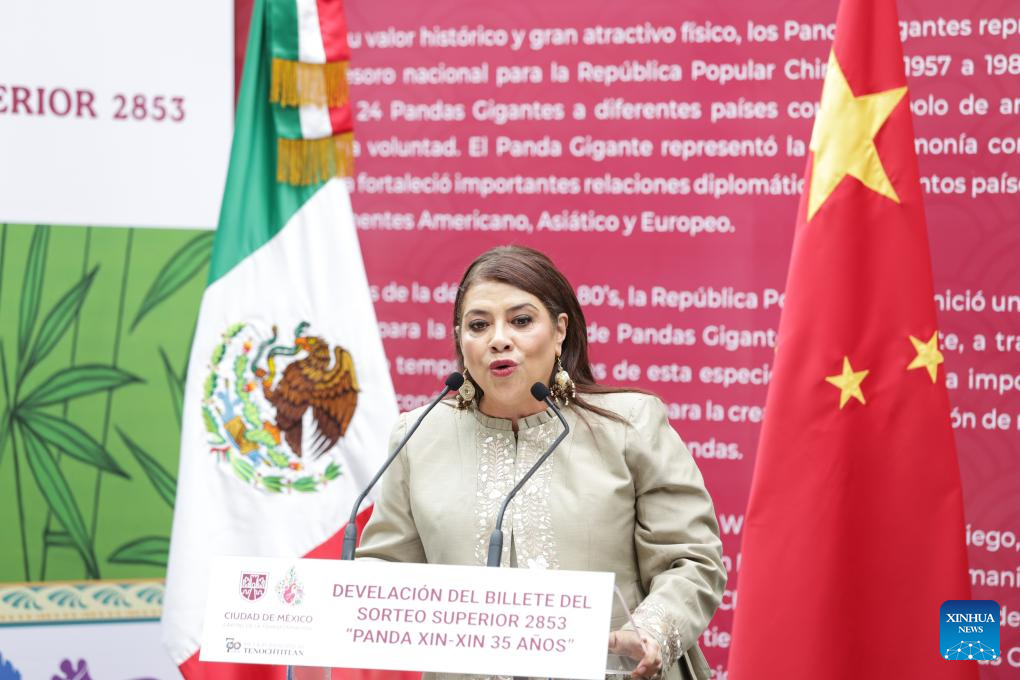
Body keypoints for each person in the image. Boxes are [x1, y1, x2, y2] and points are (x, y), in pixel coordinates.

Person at [357, 245, 726, 680]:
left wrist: (648, 633)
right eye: (478, 325)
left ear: (559, 331)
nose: (498, 339)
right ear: (461, 339)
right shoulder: (418, 436)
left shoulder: (629, 424)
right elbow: (384, 571)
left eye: (520, 321)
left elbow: (691, 560)